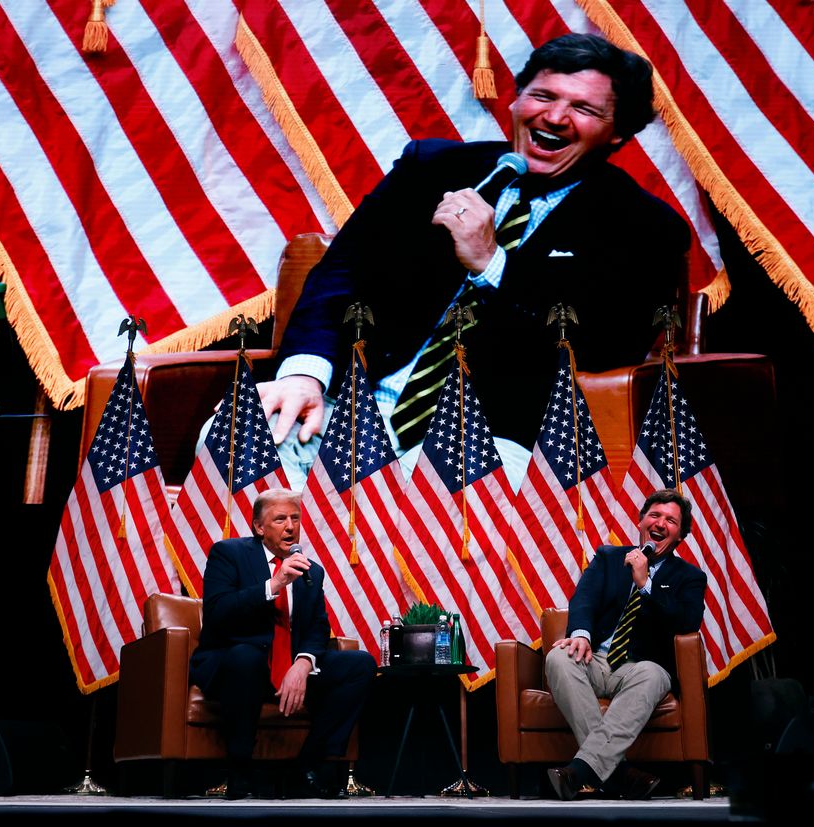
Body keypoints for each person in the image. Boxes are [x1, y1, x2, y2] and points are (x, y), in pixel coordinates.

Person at [260, 32, 690, 489]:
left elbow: (602, 346)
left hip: (491, 438)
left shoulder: (644, 226)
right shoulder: (430, 168)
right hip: (359, 411)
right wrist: (305, 375)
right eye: (542, 96)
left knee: (441, 495)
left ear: (617, 132)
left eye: (584, 109)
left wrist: (492, 265)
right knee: (237, 437)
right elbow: (340, 276)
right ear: (516, 101)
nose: (555, 117)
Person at [189, 488, 376, 799]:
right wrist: (274, 584)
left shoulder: (310, 570)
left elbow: (318, 628)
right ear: (259, 527)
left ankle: (307, 767)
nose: (290, 526)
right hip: (236, 667)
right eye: (280, 519)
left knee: (360, 665)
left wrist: (302, 664)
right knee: (246, 658)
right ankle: (240, 771)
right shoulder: (229, 554)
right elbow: (218, 612)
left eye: (295, 519)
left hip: (286, 667)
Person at [543, 489, 706, 800]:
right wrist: (580, 634)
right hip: (595, 659)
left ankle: (579, 771)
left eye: (671, 521)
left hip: (639, 667)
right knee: (559, 657)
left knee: (653, 674)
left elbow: (687, 623)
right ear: (641, 520)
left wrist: (646, 584)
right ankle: (618, 775)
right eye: (654, 515)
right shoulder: (609, 558)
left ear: (680, 535)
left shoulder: (690, 577)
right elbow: (584, 599)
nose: (660, 523)